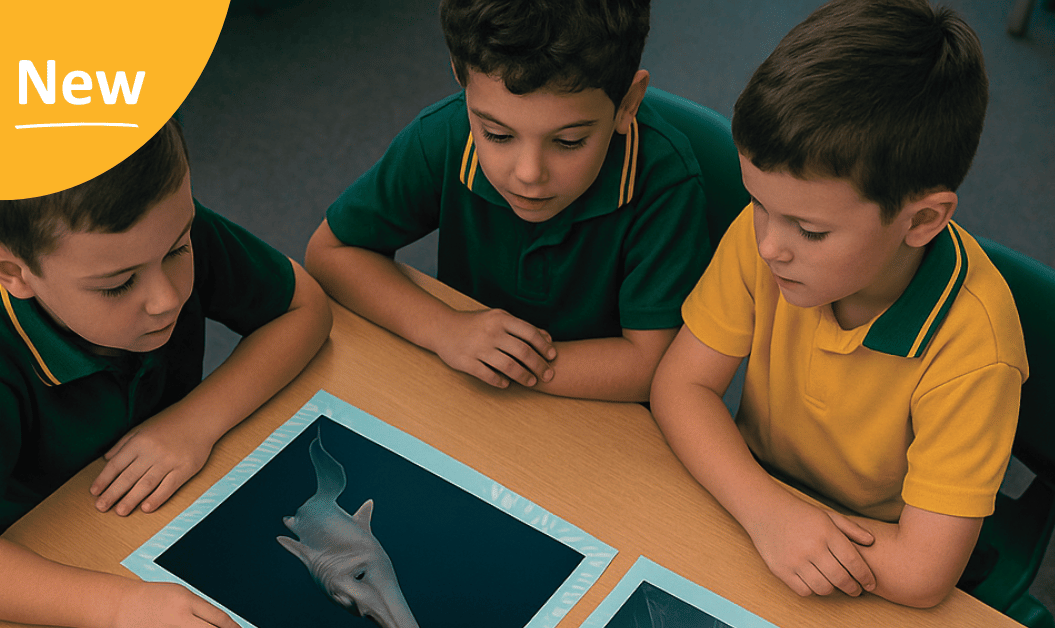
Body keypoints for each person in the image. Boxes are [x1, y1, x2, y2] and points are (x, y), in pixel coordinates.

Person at [649, 0, 1028, 609]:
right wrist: (766, 510)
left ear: (921, 220)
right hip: (759, 510)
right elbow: (679, 387)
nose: (769, 246)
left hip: (863, 562)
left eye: (811, 231)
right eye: (758, 204)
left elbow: (922, 571)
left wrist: (776, 519)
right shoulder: (773, 235)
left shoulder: (976, 348)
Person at [0, 119, 332, 627]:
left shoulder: (153, 231)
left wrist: (196, 422)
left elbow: (305, 306)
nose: (167, 299)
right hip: (31, 559)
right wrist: (120, 607)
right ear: (13, 273)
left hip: (152, 515)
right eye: (117, 285)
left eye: (179, 251)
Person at [305, 0, 712, 402]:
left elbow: (653, 366)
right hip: (465, 394)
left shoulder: (666, 184)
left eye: (569, 141)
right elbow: (331, 252)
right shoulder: (443, 135)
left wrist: (502, 361)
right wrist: (445, 329)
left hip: (598, 417)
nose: (529, 174)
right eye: (497, 135)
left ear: (628, 103)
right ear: (461, 77)